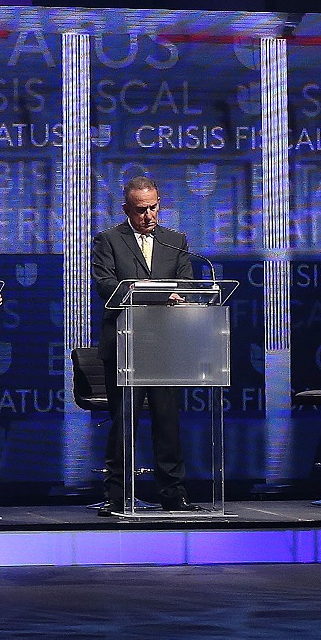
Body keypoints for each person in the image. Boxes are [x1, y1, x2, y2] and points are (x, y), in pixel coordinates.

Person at [91, 176, 196, 512]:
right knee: (124, 420)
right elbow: (106, 284)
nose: (149, 215)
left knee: (168, 422)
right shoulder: (108, 240)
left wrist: (179, 295)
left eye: (153, 207)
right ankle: (117, 495)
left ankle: (172, 493)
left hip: (165, 344)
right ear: (126, 209)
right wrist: (151, 293)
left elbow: (188, 283)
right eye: (141, 210)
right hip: (125, 345)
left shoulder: (175, 241)